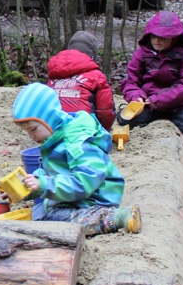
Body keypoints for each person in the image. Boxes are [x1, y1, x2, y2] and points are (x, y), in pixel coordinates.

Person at [11, 83, 140, 236]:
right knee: (40, 212)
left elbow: (85, 182)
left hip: (93, 201)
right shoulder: (55, 138)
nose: (31, 136)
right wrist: (26, 187)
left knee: (53, 219)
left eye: (33, 129)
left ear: (50, 119)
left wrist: (44, 184)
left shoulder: (77, 143)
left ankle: (115, 218)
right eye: (27, 132)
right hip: (73, 198)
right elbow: (54, 171)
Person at [119, 11, 183, 183]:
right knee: (123, 119)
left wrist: (159, 99)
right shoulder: (141, 54)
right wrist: (137, 96)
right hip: (147, 105)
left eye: (163, 37)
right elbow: (130, 82)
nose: (157, 40)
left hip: (177, 108)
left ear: (174, 38)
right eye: (154, 36)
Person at [47, 30, 116, 129]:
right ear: (92, 57)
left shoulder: (54, 71)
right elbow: (105, 112)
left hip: (51, 129)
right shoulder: (97, 76)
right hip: (82, 131)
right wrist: (104, 130)